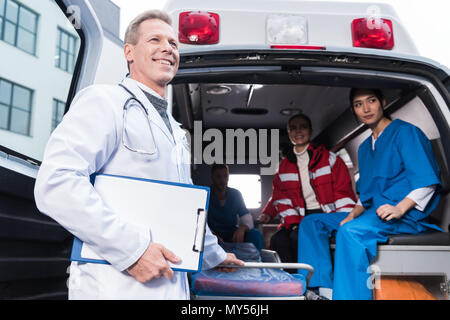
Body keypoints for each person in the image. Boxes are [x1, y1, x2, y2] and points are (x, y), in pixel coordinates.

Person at [34, 10, 242, 300]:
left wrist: (214, 256)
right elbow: (55, 184)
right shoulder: (104, 102)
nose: (168, 48)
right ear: (129, 52)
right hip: (114, 284)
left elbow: (186, 208)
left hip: (170, 281)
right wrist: (132, 251)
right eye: (155, 39)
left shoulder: (177, 133)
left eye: (173, 43)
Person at [297, 88, 442, 300]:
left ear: (382, 102)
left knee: (351, 233)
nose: (365, 108)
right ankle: (321, 291)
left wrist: (400, 207)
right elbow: (365, 195)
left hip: (404, 216)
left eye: (371, 101)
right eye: (358, 104)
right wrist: (350, 216)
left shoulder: (406, 133)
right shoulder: (365, 148)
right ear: (353, 110)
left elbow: (426, 181)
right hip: (373, 214)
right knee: (312, 223)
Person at [259, 114, 357, 269]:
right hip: (299, 217)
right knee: (279, 239)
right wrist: (293, 224)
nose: (298, 131)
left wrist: (342, 220)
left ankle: (311, 283)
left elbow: (343, 192)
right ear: (289, 132)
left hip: (327, 214)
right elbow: (282, 200)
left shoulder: (330, 159)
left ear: (310, 131)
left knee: (300, 238)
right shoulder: (283, 167)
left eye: (303, 127)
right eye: (293, 128)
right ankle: (290, 283)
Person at [207, 164, 263, 251]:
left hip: (232, 235)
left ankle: (255, 261)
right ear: (212, 177)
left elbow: (247, 219)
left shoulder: (236, 194)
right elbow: (200, 222)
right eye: (218, 176)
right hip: (212, 235)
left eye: (225, 176)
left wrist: (242, 228)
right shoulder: (205, 194)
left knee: (255, 234)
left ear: (228, 176)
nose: (222, 180)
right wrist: (211, 234)